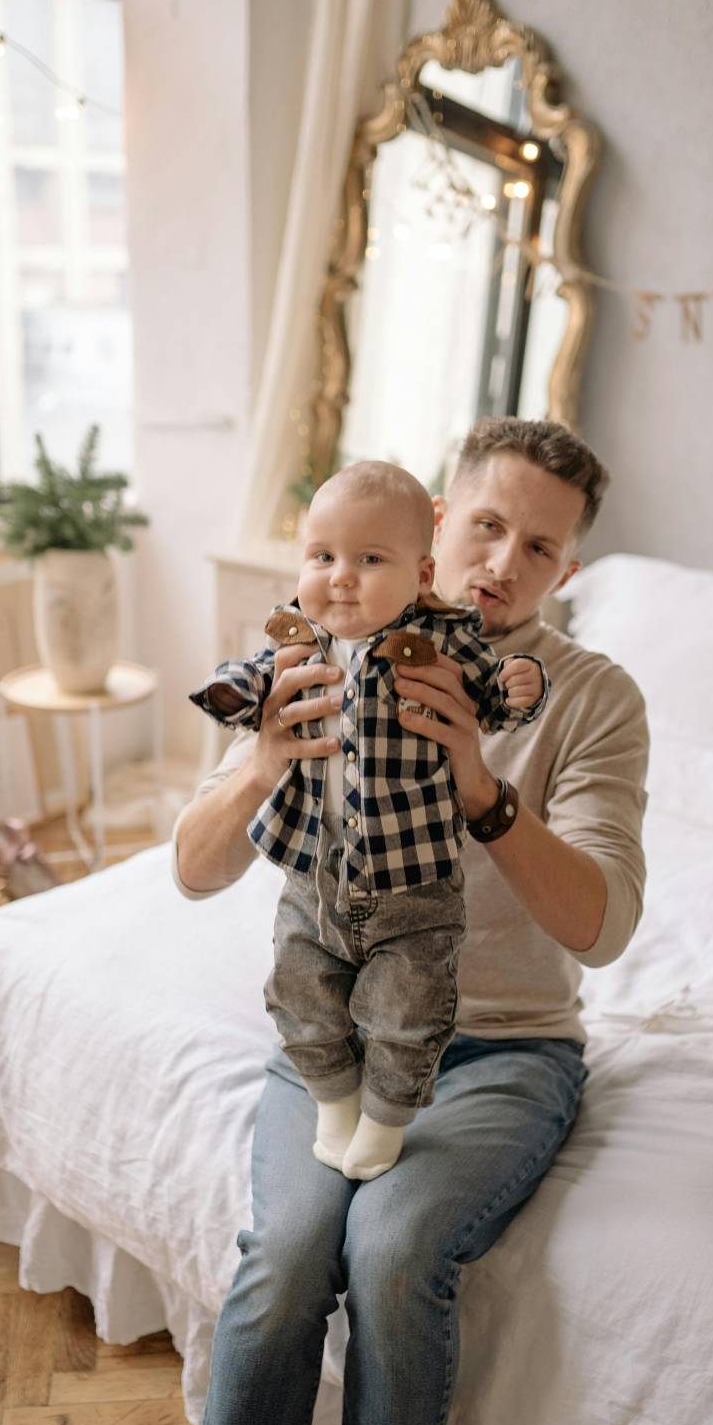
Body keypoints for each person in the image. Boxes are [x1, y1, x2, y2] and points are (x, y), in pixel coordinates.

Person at [173, 417, 649, 1425]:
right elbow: (193, 871)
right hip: (335, 1039)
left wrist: (481, 791)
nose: (502, 565)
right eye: (487, 527)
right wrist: (258, 765)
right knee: (288, 1259)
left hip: (501, 1050)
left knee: (391, 1256)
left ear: (568, 568)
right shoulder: (323, 642)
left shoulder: (590, 697)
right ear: (438, 524)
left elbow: (604, 925)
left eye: (538, 549)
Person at [188, 461, 550, 1180]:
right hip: (313, 880)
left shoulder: (444, 645)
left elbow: (498, 695)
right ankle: (334, 1102)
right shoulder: (298, 644)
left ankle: (386, 1118)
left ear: (421, 574)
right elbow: (250, 677)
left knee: (408, 1007)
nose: (340, 577)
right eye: (322, 556)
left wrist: (521, 687)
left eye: (369, 559)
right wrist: (234, 696)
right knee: (298, 991)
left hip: (413, 883)